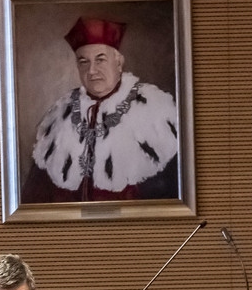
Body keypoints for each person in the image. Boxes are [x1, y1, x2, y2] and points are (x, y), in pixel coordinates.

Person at [22, 17, 182, 203]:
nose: (91, 71)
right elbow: (35, 195)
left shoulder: (155, 110)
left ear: (119, 63)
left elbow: (170, 192)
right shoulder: (60, 115)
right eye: (83, 62)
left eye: (100, 60)